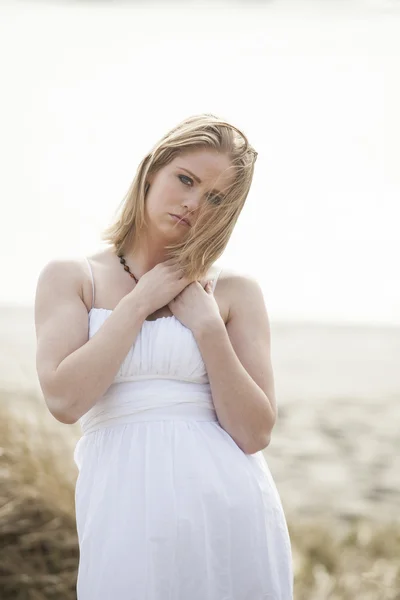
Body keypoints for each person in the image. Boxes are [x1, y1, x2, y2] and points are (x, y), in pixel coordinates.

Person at [34, 113, 293, 599]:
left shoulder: (235, 291)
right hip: (124, 505)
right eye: (186, 180)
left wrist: (208, 327)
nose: (194, 204)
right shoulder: (72, 278)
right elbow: (65, 401)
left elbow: (255, 432)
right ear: (152, 170)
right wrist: (139, 301)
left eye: (216, 198)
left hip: (230, 509)